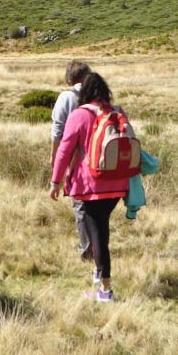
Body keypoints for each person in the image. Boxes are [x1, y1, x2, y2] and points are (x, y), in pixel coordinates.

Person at [50, 72, 130, 303]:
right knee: (100, 230)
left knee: (98, 236)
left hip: (90, 184)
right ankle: (97, 280)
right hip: (117, 184)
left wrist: (56, 181)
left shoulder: (79, 115)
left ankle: (105, 290)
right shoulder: (117, 112)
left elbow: (65, 149)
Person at [50, 60, 93, 261]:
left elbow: (58, 132)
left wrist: (55, 161)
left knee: (81, 205)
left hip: (77, 159)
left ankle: (87, 251)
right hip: (101, 158)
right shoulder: (99, 96)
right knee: (97, 206)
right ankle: (97, 245)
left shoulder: (66, 97)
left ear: (70, 77)